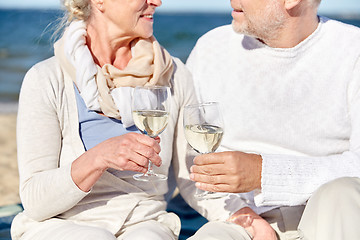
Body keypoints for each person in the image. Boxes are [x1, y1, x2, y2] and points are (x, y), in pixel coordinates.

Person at [10, 0, 200, 239]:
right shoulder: (46, 79)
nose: (157, 2)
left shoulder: (173, 75)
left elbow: (191, 176)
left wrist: (241, 215)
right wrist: (98, 157)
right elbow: (36, 202)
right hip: (61, 222)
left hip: (144, 221)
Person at [184, 0, 360, 239]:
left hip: (330, 216)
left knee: (341, 192)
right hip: (240, 219)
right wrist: (240, 214)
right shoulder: (210, 48)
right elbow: (189, 159)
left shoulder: (353, 50)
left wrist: (263, 173)